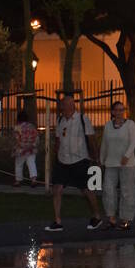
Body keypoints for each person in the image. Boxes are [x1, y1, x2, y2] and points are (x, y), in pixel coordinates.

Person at [45, 94, 103, 232]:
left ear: (72, 105)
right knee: (57, 188)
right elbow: (58, 139)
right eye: (61, 105)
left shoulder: (83, 120)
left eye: (64, 105)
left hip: (80, 159)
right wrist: (55, 155)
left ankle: (97, 216)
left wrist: (96, 157)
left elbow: (91, 139)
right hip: (62, 160)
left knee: (86, 189)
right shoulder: (60, 120)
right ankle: (57, 221)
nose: (61, 107)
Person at [100, 99, 135, 230]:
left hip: (126, 164)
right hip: (111, 162)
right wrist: (102, 159)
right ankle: (111, 218)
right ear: (112, 112)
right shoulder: (108, 126)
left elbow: (133, 141)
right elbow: (104, 144)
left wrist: (127, 155)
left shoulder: (130, 124)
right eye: (117, 110)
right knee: (108, 190)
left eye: (122, 110)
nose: (119, 112)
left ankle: (125, 219)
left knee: (127, 192)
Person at [13, 106, 39, 187]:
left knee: (19, 164)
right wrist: (32, 145)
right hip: (31, 149)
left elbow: (17, 139)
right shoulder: (32, 126)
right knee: (31, 164)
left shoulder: (17, 127)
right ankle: (33, 180)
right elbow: (37, 137)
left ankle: (18, 181)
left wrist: (20, 146)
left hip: (21, 149)